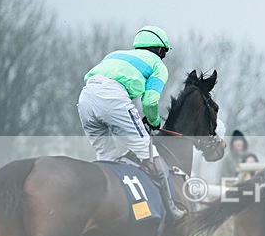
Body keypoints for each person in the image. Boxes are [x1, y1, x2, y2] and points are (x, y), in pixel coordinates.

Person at [77, 25, 186, 221]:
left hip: (85, 98)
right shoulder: (157, 65)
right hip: (112, 99)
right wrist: (153, 121)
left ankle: (106, 211)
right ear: (161, 50)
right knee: (150, 154)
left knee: (106, 158)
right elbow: (150, 101)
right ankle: (172, 207)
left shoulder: (115, 54)